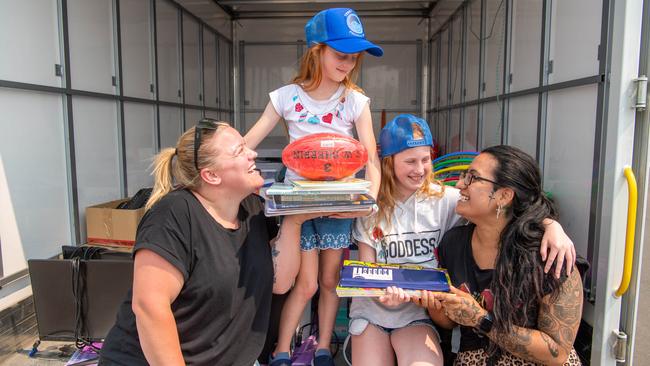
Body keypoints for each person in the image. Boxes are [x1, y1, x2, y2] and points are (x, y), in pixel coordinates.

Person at [350, 115, 576, 366]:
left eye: (425, 160)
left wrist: (550, 225)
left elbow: (516, 204)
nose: (420, 169)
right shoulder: (372, 207)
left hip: (417, 315)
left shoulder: (448, 200)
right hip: (374, 313)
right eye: (410, 161)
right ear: (389, 163)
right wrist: (380, 294)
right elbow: (367, 272)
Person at [99, 119, 320, 366]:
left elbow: (280, 284)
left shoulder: (252, 208)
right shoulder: (173, 214)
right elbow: (150, 306)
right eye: (240, 151)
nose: (253, 154)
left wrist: (295, 220)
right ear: (211, 175)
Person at [244, 8, 383, 366]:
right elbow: (250, 141)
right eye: (340, 55)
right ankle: (281, 349)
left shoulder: (356, 101)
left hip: (339, 205)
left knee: (329, 279)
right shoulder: (286, 97)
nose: (348, 64)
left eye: (354, 57)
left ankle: (323, 347)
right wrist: (222, 164)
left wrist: (368, 201)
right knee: (302, 284)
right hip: (298, 208)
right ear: (316, 50)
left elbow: (370, 160)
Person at [419, 145, 583, 365]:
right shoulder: (453, 243)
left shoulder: (549, 255)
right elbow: (448, 324)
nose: (459, 184)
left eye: (472, 178)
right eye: (464, 176)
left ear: (504, 196)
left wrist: (481, 319)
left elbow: (557, 354)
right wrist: (434, 304)